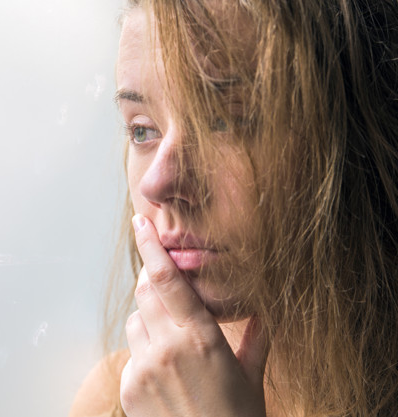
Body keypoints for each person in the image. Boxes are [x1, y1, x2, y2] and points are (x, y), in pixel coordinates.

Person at [70, 0, 398, 416]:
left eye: (225, 121)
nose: (156, 183)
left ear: (350, 137)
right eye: (142, 130)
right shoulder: (117, 399)